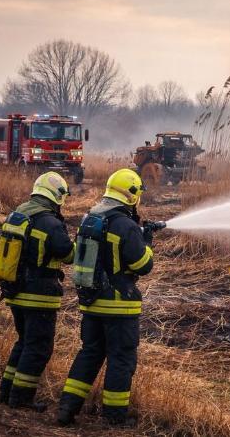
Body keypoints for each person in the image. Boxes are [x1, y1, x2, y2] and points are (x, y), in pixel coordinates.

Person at [57, 168, 154, 427]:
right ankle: (114, 417)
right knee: (121, 359)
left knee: (90, 353)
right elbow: (142, 265)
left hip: (91, 302)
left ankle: (67, 407)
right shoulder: (126, 225)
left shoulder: (91, 217)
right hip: (119, 306)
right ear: (132, 194)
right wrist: (148, 244)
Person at [0, 172, 74, 411]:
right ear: (56, 196)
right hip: (39, 295)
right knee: (39, 347)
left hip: (15, 291)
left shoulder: (19, 213)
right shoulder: (50, 222)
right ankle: (21, 399)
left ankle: (7, 392)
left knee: (24, 341)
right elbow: (68, 254)